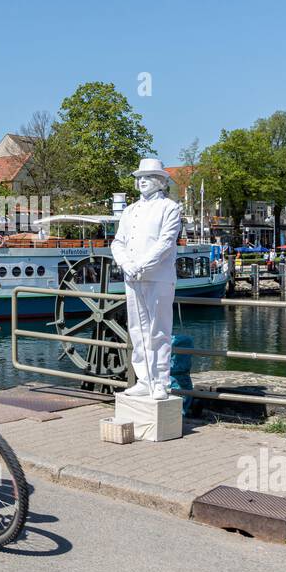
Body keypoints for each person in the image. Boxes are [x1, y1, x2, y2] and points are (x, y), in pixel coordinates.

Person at [111, 158, 182, 400]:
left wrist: (141, 264)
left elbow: (165, 242)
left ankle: (161, 381)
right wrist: (126, 264)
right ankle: (143, 379)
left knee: (159, 331)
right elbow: (118, 242)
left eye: (148, 176)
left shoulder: (170, 208)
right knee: (137, 330)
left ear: (160, 181)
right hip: (132, 277)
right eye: (139, 176)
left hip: (159, 277)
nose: (141, 180)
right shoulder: (129, 211)